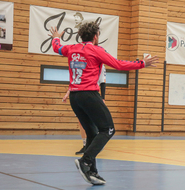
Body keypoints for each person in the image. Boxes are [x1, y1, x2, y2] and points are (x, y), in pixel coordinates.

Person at [49, 21, 158, 185]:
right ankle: (85, 161)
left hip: (75, 97)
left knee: (93, 133)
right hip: (89, 95)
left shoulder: (71, 48)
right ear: (95, 36)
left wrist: (56, 38)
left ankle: (92, 172)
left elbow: (56, 47)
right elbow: (118, 64)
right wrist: (142, 63)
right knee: (108, 129)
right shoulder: (96, 50)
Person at [62, 65, 106, 155]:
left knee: (94, 121)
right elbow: (76, 81)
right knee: (81, 121)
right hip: (79, 93)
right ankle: (85, 144)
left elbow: (103, 81)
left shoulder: (100, 65)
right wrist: (68, 92)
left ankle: (97, 143)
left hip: (92, 94)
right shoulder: (82, 63)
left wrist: (103, 98)